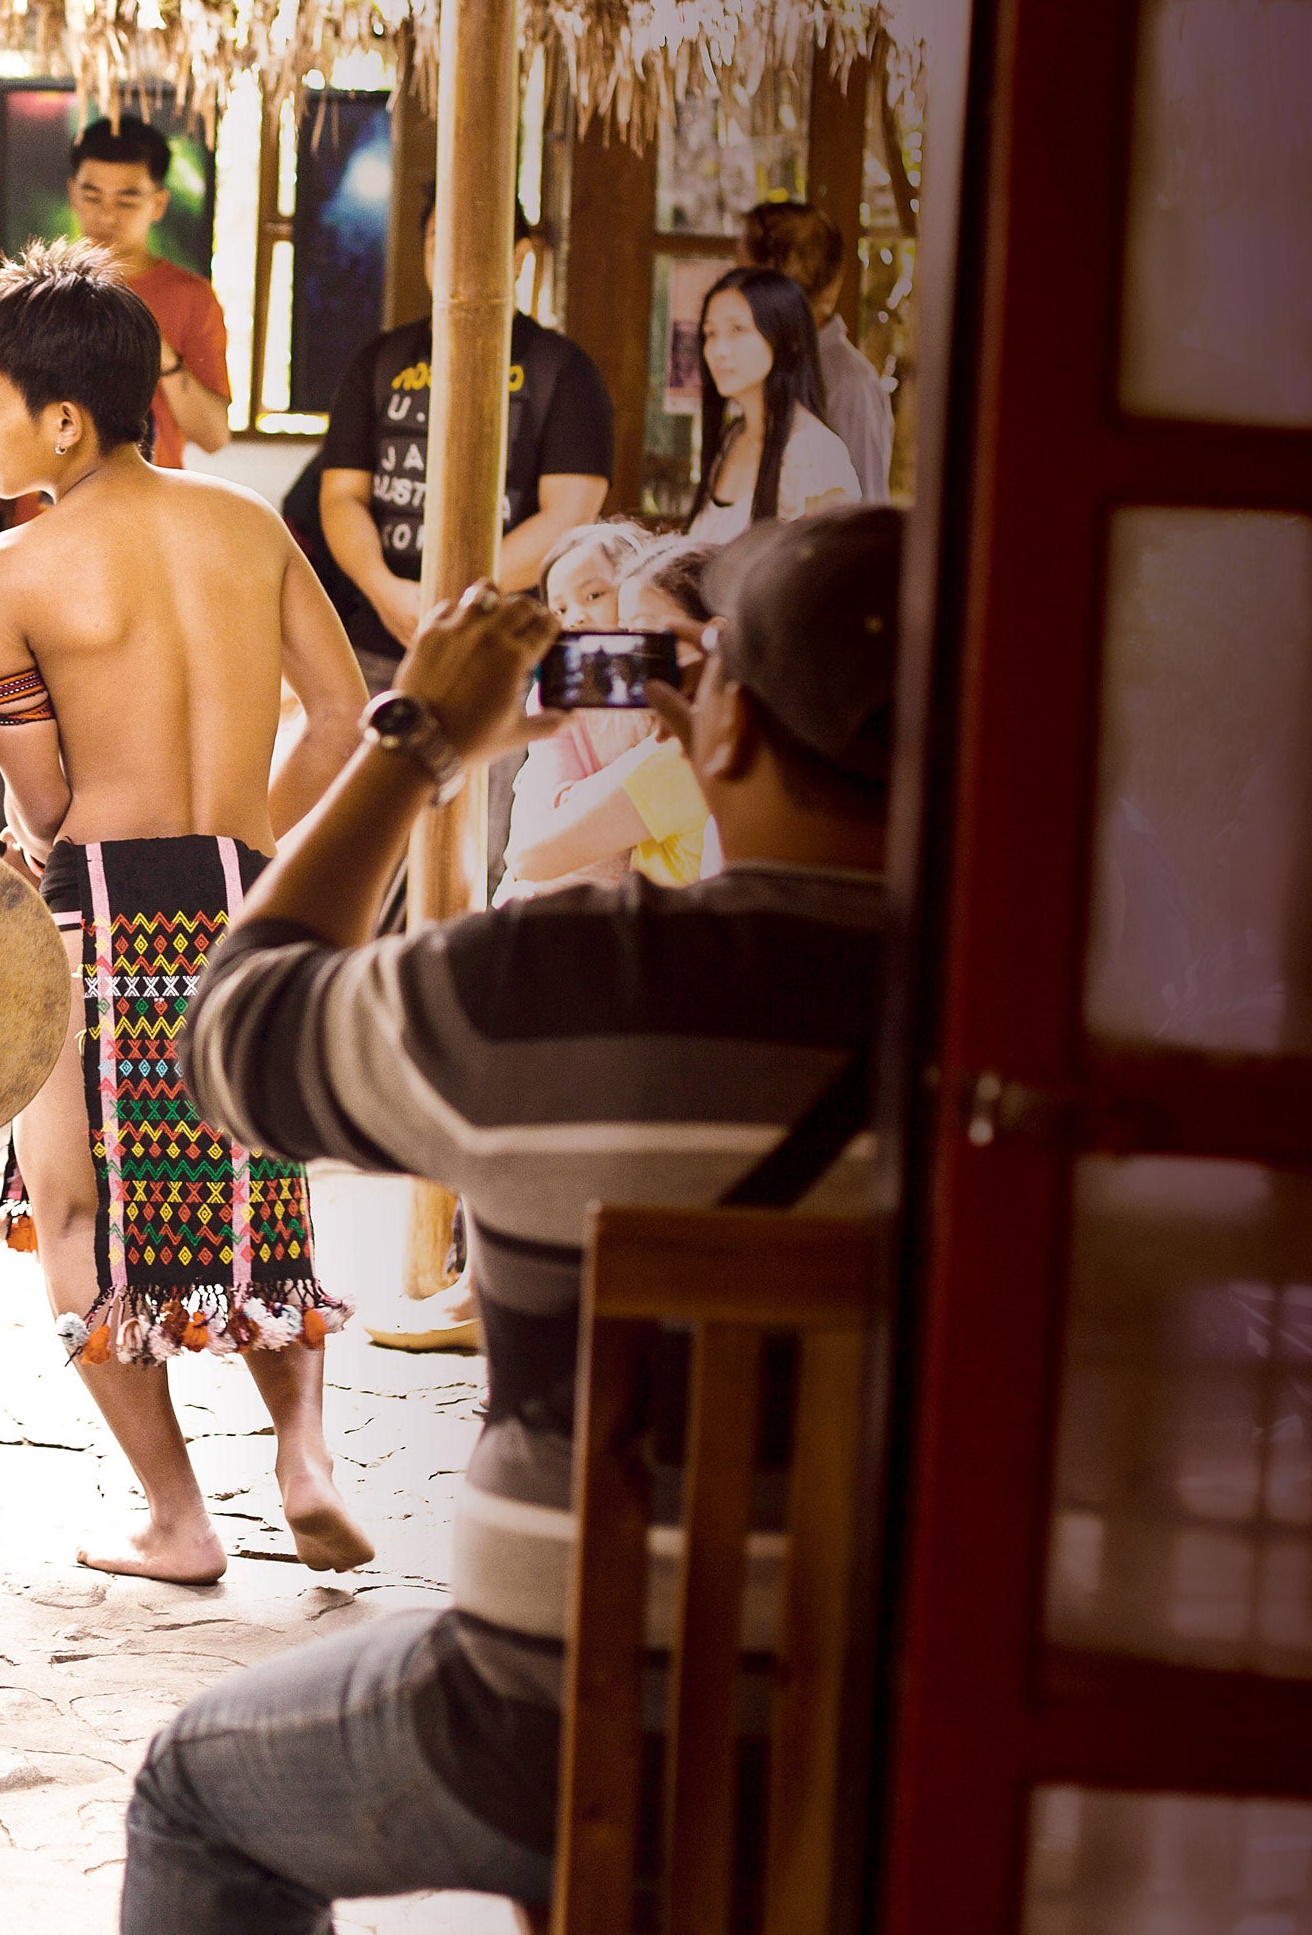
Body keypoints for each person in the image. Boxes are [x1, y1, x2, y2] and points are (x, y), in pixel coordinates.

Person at [121, 504, 900, 1933]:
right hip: (915, 1754)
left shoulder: (565, 986)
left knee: (195, 1791)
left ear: (717, 729)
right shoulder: (1068, 1037)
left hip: (550, 1731)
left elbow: (231, 1041)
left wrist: (415, 741)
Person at [0, 243, 375, 1581]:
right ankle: (304, 1460)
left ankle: (179, 1519)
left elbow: (51, 802)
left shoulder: (3, 574)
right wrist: (256, 828)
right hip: (243, 896)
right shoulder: (246, 522)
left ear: (62, 421)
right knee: (261, 1192)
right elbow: (347, 719)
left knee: (73, 1216)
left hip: (101, 909)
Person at [288, 205, 616, 689]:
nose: (453, 256)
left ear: (520, 255)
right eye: (439, 240)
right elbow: (341, 497)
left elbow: (568, 516)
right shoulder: (380, 361)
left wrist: (452, 597)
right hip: (379, 640)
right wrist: (385, 591)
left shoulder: (564, 371)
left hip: (504, 648)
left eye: (477, 239)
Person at [503, 537, 724, 892]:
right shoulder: (740, 733)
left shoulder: (677, 757)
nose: (629, 653)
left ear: (713, 636)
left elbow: (526, 857)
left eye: (648, 637)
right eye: (626, 629)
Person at [490, 519, 658, 901]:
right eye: (560, 609)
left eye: (594, 595)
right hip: (554, 888)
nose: (576, 618)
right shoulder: (555, 695)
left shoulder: (667, 682)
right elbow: (550, 803)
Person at [64, 116, 233, 467]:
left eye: (126, 201)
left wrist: (162, 355)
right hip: (46, 511)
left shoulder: (191, 298)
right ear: (72, 194)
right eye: (92, 196)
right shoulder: (37, 289)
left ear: (158, 204)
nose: (107, 215)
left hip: (149, 511)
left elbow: (214, 436)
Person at [693, 264, 860, 545]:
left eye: (737, 329)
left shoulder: (814, 454)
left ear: (789, 339)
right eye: (711, 333)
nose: (719, 350)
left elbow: (833, 579)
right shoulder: (730, 440)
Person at [741, 201, 892, 500]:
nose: (733, 288)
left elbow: (864, 514)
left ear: (774, 277)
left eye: (741, 271)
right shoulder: (763, 365)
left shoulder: (850, 384)